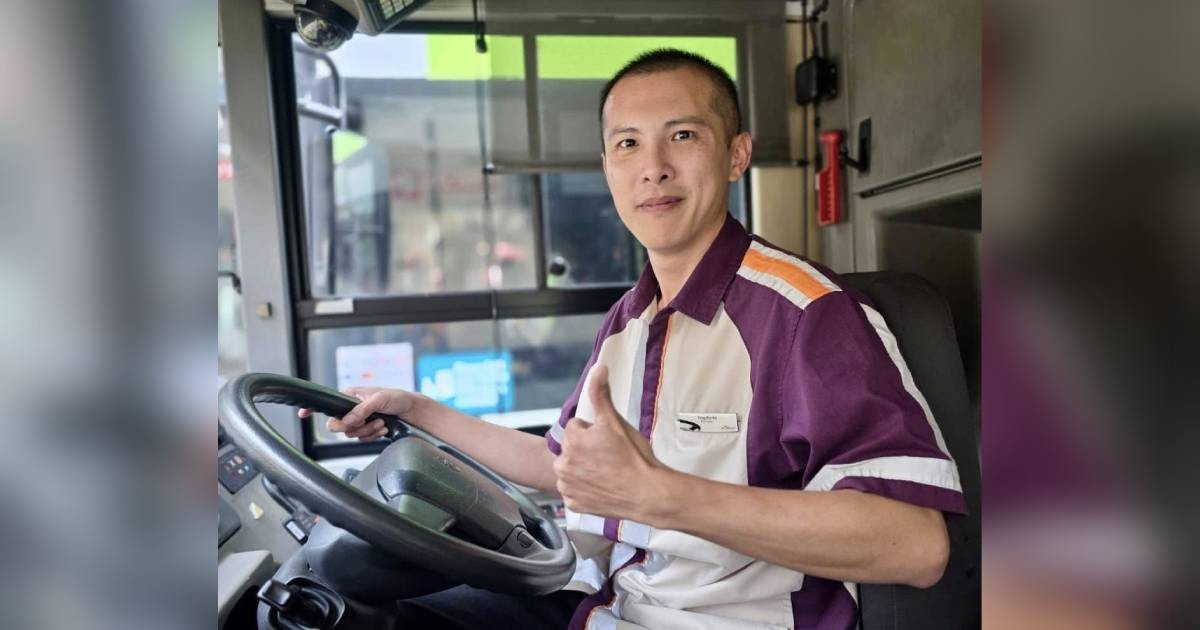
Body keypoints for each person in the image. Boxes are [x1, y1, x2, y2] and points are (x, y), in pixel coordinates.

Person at [300, 49, 966, 630]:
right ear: (606, 167)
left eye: (683, 135)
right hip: (613, 603)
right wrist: (415, 410)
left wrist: (661, 495)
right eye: (627, 144)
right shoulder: (630, 320)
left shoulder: (807, 315)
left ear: (736, 155)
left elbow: (916, 544)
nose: (653, 168)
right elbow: (563, 466)